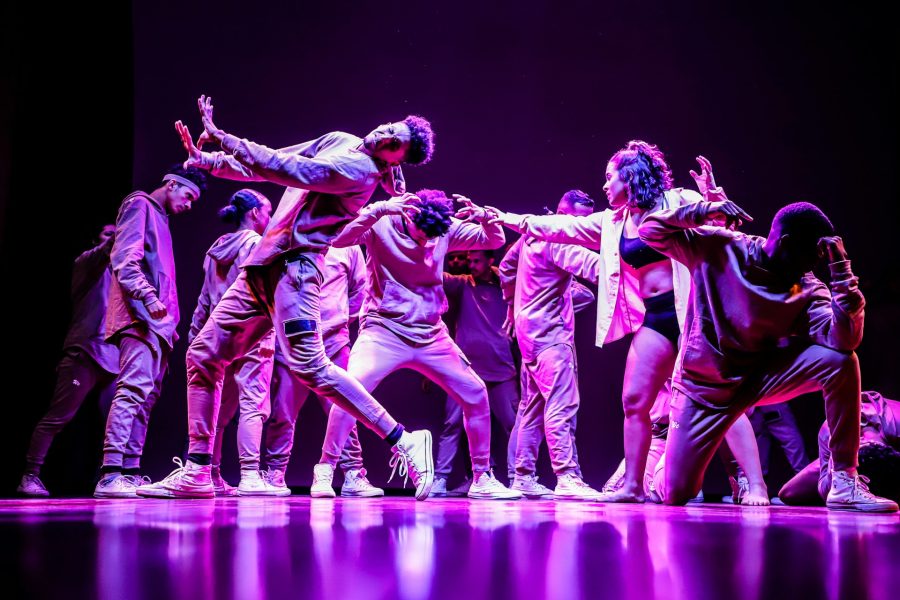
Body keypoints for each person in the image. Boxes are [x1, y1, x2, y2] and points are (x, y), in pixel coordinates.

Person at [148, 96, 437, 500]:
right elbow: (274, 160)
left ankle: (404, 440)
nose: (385, 134)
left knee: (311, 367)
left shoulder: (361, 171)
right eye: (390, 127)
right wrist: (209, 160)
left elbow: (289, 169)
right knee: (203, 354)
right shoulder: (341, 140)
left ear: (393, 160)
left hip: (295, 272)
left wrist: (223, 138)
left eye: (395, 142)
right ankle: (197, 469)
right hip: (263, 264)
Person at [489, 145, 768, 505]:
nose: (605, 185)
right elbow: (561, 226)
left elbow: (721, 225)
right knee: (635, 400)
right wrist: (505, 217)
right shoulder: (614, 221)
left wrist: (713, 195)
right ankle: (633, 486)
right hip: (655, 317)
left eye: (610, 177)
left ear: (630, 176)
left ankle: (756, 485)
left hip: (691, 315)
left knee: (721, 399)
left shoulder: (676, 199)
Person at [639, 157, 897, 512]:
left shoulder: (806, 285)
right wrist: (701, 210)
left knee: (841, 362)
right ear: (787, 242)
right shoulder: (722, 247)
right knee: (675, 494)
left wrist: (841, 271)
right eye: (812, 254)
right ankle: (664, 462)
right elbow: (649, 231)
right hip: (703, 389)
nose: (813, 263)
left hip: (758, 380)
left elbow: (844, 340)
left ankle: (844, 481)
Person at [315, 189, 522, 500]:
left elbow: (493, 240)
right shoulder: (382, 222)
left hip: (430, 334)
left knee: (476, 393)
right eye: (421, 235)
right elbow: (339, 239)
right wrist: (377, 209)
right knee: (350, 391)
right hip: (384, 331)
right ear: (408, 216)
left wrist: (486, 219)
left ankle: (482, 478)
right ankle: (326, 469)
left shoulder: (443, 227)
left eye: (433, 238)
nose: (426, 243)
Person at [94, 165, 207, 498]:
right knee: (132, 391)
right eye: (188, 196)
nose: (189, 205)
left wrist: (169, 323)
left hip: (159, 325)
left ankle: (128, 471)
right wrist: (147, 296)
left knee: (145, 398)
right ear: (171, 184)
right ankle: (110, 473)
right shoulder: (139, 204)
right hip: (140, 317)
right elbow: (125, 259)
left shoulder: (162, 218)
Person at [499, 190, 603, 499]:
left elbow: (506, 267)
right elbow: (595, 266)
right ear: (566, 215)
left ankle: (523, 475)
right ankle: (567, 476)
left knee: (532, 407)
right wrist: (638, 266)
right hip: (551, 336)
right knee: (562, 403)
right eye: (581, 222)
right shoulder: (560, 240)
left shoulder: (531, 235)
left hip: (529, 334)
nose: (583, 231)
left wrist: (511, 304)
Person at [263, 244, 384, 498]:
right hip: (294, 341)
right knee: (282, 411)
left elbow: (359, 291)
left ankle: (353, 472)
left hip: (333, 342)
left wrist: (336, 320)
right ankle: (274, 473)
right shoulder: (294, 236)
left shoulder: (348, 245)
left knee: (344, 412)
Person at [19, 225, 119, 497]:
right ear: (95, 239)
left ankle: (111, 478)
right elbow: (109, 248)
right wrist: (133, 219)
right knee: (59, 417)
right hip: (83, 353)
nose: (112, 237)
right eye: (107, 233)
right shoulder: (86, 263)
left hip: (112, 360)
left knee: (116, 421)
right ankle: (30, 475)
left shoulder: (119, 276)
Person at [189, 190, 277, 496]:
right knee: (253, 404)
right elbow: (263, 291)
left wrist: (196, 332)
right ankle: (250, 475)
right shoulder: (256, 244)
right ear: (254, 214)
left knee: (219, 409)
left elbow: (203, 297)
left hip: (219, 337)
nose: (269, 218)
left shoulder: (215, 248)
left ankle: (211, 474)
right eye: (267, 212)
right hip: (252, 334)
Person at [779, 390, 900, 505]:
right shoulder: (832, 430)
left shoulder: (895, 428)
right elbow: (822, 491)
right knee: (787, 493)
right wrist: (835, 464)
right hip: (849, 451)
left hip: (882, 461)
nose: (860, 440)